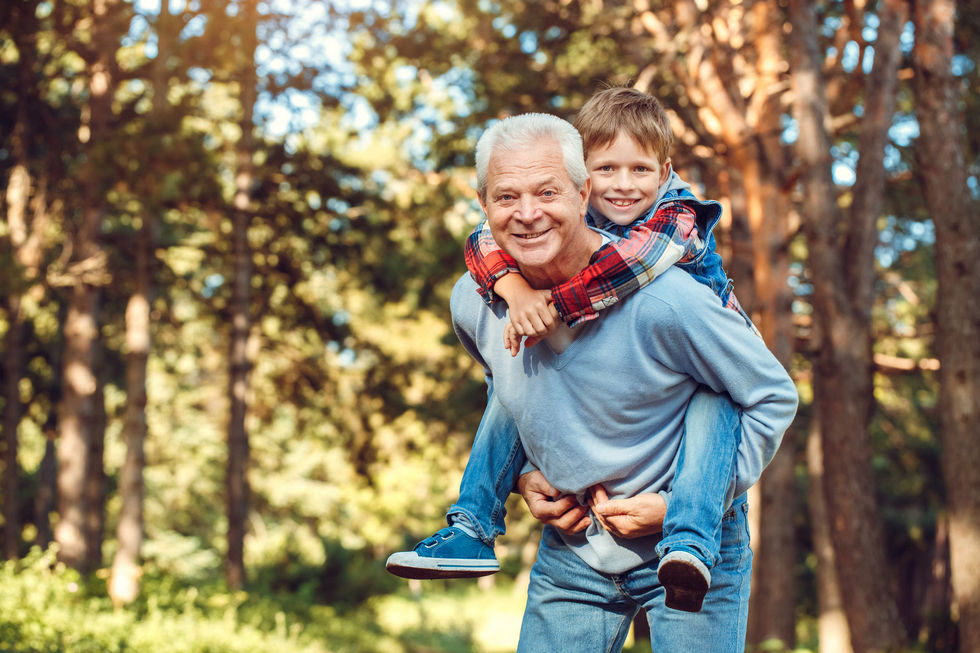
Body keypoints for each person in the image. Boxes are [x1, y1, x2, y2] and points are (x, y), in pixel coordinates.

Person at [403, 113, 797, 650]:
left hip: (690, 546)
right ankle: (471, 530)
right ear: (482, 204)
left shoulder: (667, 296)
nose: (526, 214)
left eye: (546, 191)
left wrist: (687, 501)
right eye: (506, 197)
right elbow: (510, 390)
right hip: (575, 547)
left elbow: (770, 395)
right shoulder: (475, 302)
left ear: (580, 191)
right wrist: (523, 474)